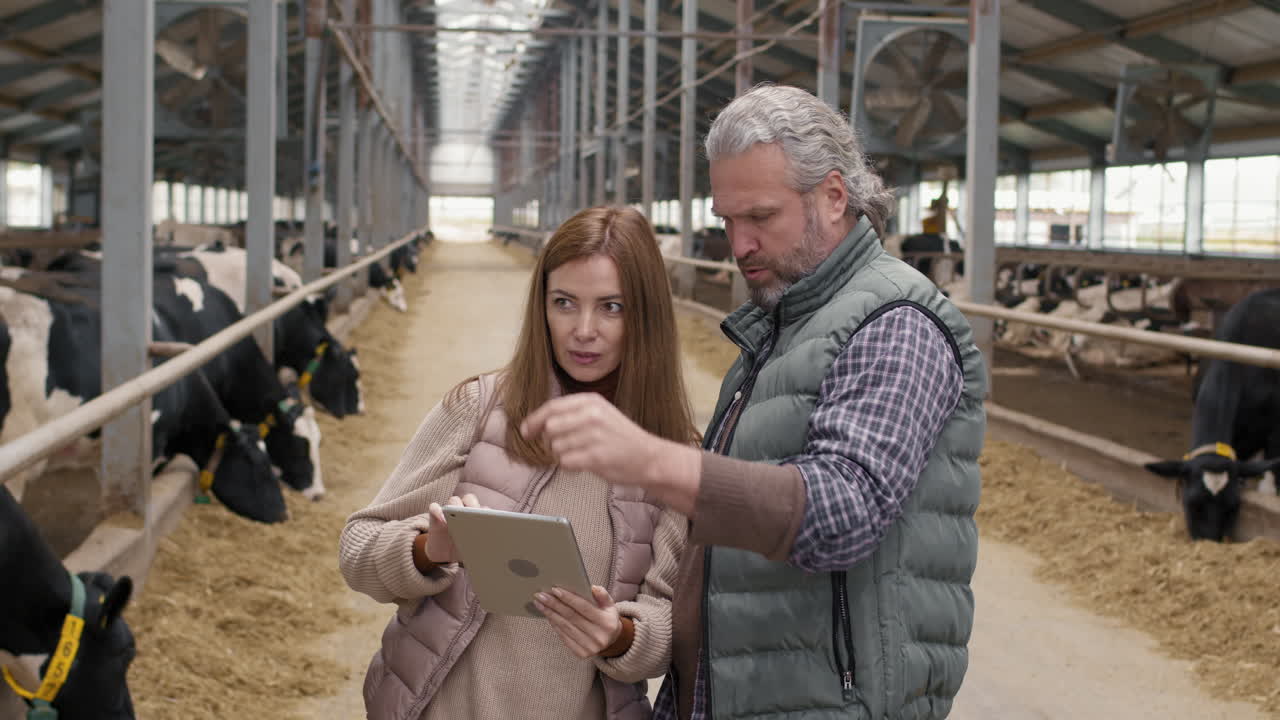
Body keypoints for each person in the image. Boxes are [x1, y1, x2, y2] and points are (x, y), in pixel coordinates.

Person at [521, 83, 988, 719]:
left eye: (761, 217)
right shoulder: (783, 324)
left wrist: (651, 461)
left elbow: (843, 509)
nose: (738, 245)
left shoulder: (895, 322)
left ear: (832, 196)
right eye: (727, 220)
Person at [339, 206, 700, 720]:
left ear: (646, 315)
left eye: (611, 307)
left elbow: (669, 629)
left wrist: (618, 635)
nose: (583, 329)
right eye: (564, 303)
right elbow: (357, 548)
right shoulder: (477, 408)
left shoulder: (674, 456)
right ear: (542, 306)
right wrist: (427, 550)